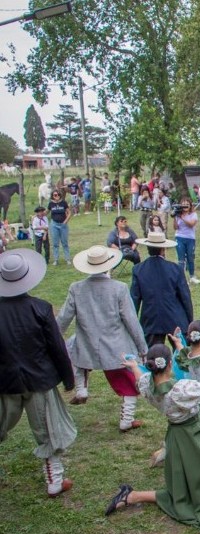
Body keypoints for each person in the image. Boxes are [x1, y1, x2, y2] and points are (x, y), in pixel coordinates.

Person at [106, 345, 200, 530]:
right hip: (198, 432)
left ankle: (132, 496)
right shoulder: (182, 389)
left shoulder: (147, 385)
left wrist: (133, 366)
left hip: (177, 437)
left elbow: (139, 378)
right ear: (170, 364)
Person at [0, 249, 76, 497]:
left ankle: (55, 479)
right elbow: (57, 346)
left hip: (5, 381)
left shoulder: (40, 308)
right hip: (38, 379)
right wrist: (67, 377)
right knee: (47, 430)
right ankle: (54, 479)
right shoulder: (40, 308)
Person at [57, 245, 148, 429]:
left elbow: (64, 318)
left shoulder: (76, 288)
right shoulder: (119, 288)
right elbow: (131, 320)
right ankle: (127, 419)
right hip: (115, 344)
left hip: (87, 341)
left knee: (74, 350)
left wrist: (53, 337)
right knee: (127, 380)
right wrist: (142, 348)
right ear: (109, 265)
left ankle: (82, 388)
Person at [131, 232, 193, 347]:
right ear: (163, 249)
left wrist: (132, 324)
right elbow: (185, 297)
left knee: (153, 359)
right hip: (175, 318)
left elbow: (134, 300)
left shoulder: (138, 270)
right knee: (181, 356)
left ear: (148, 248)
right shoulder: (175, 269)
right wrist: (190, 320)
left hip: (151, 319)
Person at [173, 197, 200, 284]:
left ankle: (192, 276)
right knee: (181, 259)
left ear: (190, 205)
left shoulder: (193, 214)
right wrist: (175, 217)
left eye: (187, 204)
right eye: (183, 204)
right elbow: (175, 228)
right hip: (179, 237)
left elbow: (191, 224)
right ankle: (182, 279)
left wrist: (182, 217)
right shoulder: (178, 215)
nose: (185, 206)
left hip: (190, 238)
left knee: (190, 258)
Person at [47, 189, 71, 266]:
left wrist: (65, 221)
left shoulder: (63, 203)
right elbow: (46, 212)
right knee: (55, 243)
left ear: (60, 195)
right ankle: (56, 259)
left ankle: (67, 259)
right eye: (54, 195)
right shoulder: (51, 204)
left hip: (63, 225)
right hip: (54, 225)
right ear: (52, 196)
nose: (56, 196)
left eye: (58, 195)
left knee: (65, 243)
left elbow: (69, 212)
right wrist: (37, 215)